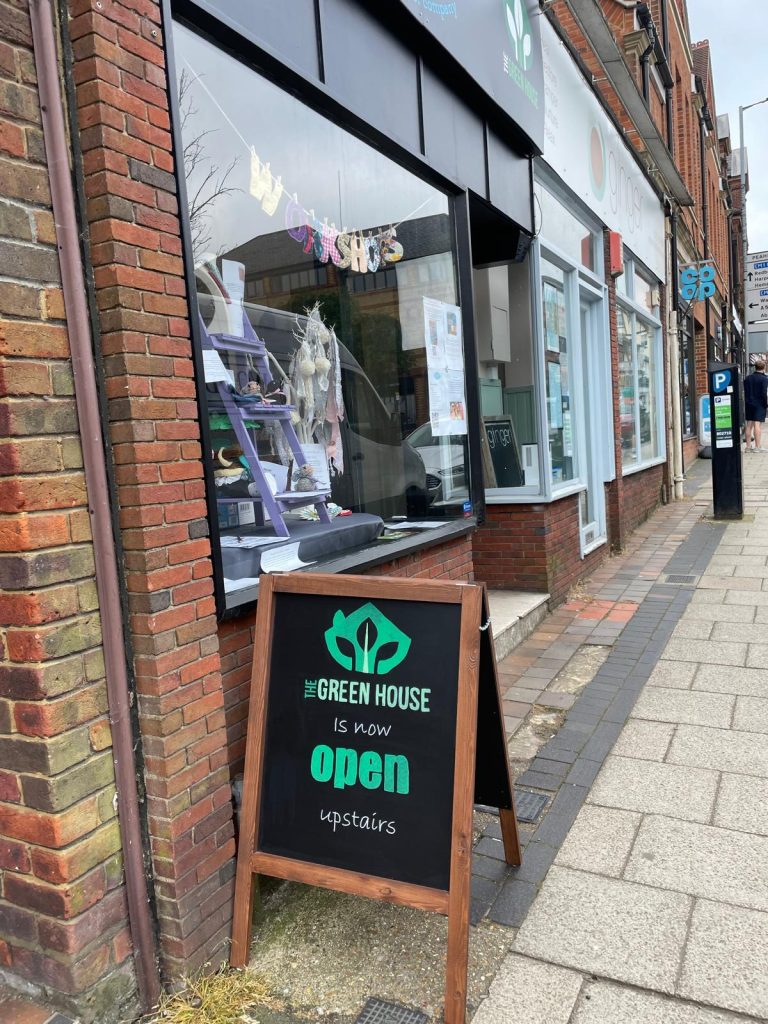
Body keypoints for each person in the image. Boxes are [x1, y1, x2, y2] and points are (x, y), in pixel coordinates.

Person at [744, 360, 768, 452]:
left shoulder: (747, 378)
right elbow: (764, 393)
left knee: (749, 424)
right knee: (757, 425)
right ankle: (757, 447)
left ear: (755, 367)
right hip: (759, 404)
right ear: (764, 367)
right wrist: (766, 404)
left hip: (749, 403)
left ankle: (748, 447)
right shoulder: (764, 379)